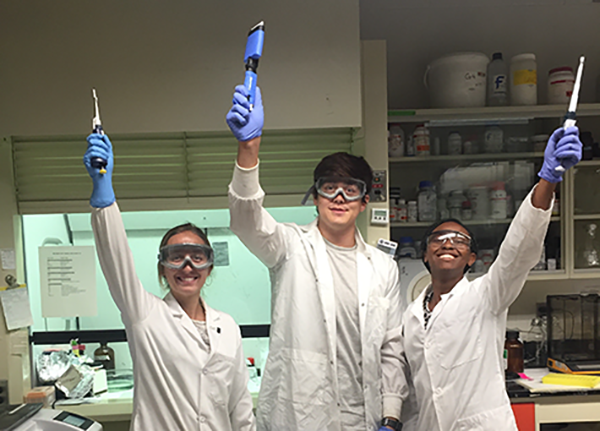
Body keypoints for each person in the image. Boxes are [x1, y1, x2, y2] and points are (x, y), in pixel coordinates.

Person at [225, 84, 403, 431]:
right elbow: (246, 220)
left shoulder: (383, 268)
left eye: (351, 189)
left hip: (364, 419)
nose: (339, 197)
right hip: (301, 418)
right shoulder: (290, 245)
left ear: (365, 201)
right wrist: (248, 148)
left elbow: (391, 347)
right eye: (329, 187)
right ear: (316, 197)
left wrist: (392, 415)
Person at [398, 126, 582, 430]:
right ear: (425, 255)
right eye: (438, 238)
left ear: (471, 259)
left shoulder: (486, 295)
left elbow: (518, 251)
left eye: (459, 240)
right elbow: (415, 394)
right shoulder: (411, 316)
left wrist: (547, 179)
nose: (448, 243)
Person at [83, 133, 256, 431]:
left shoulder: (227, 327)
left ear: (209, 267)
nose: (187, 266)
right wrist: (104, 198)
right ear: (163, 269)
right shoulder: (145, 316)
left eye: (197, 257)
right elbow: (116, 262)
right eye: (176, 257)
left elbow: (240, 408)